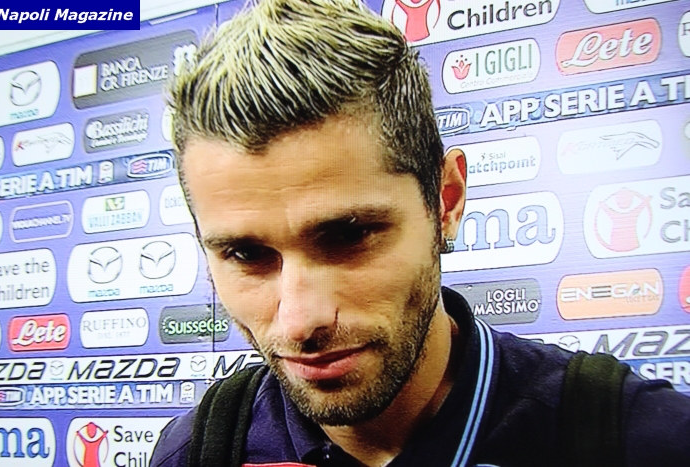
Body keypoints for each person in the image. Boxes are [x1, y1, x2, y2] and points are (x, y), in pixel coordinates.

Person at [150, 1, 690, 466]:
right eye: (246, 254)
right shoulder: (196, 452)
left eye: (349, 236)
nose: (299, 321)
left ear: (445, 201)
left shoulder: (642, 440)